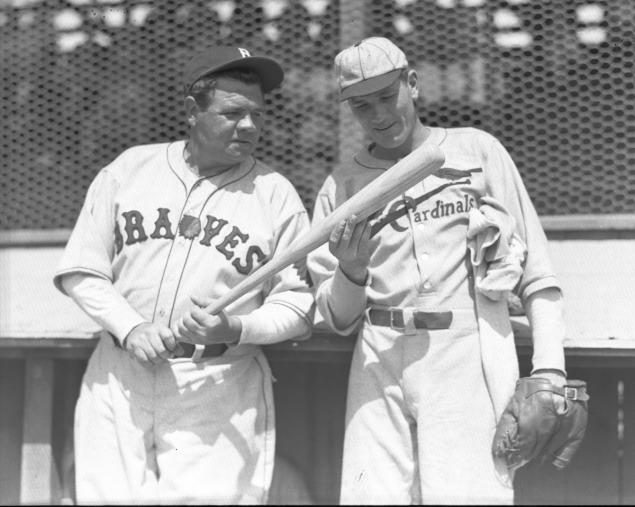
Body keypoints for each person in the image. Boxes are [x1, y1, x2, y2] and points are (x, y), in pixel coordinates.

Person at [307, 37, 569, 504]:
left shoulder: (477, 150)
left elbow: (538, 273)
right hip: (378, 354)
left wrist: (549, 373)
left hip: (462, 348)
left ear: (413, 84)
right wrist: (351, 271)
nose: (380, 115)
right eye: (363, 106)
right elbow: (337, 316)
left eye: (388, 97)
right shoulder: (342, 184)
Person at [53, 46, 314, 504]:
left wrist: (238, 327)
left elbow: (297, 304)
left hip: (216, 381)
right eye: (234, 113)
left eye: (257, 114)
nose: (250, 126)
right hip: (119, 374)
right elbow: (81, 271)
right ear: (192, 112)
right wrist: (129, 325)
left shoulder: (275, 195)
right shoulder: (131, 168)